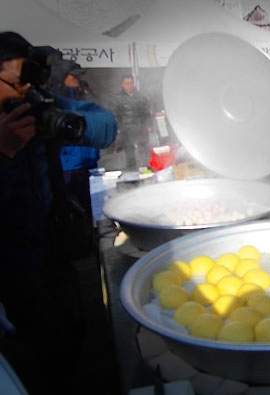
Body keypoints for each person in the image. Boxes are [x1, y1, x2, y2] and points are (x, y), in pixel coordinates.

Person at [0, 31, 117, 395]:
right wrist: (4, 154)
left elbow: (106, 125)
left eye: (29, 83)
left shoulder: (35, 103)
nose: (23, 93)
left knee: (72, 331)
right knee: (40, 347)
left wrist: (66, 121)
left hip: (51, 251)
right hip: (9, 268)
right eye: (15, 83)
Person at [48, 60, 117, 234]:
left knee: (92, 203)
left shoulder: (85, 96)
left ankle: (93, 234)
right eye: (74, 76)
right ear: (62, 77)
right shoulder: (54, 103)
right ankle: (77, 238)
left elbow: (103, 120)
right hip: (68, 167)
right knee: (71, 206)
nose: (78, 79)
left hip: (89, 163)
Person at [108, 74, 153, 171]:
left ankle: (147, 169)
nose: (130, 85)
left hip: (141, 127)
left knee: (144, 150)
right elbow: (114, 114)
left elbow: (147, 112)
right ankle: (132, 171)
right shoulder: (117, 98)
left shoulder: (141, 96)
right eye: (127, 83)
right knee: (129, 152)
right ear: (122, 84)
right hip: (127, 129)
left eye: (131, 82)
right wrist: (119, 128)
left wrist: (149, 125)